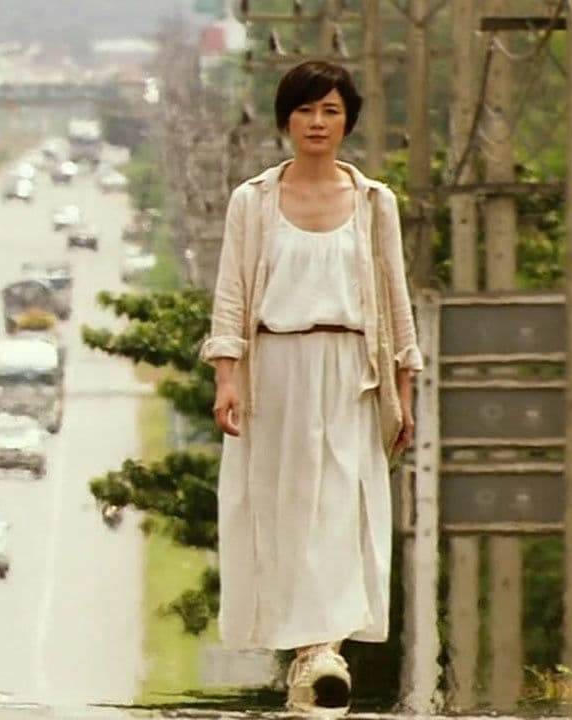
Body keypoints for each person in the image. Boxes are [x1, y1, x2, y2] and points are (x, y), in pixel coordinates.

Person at [199, 60, 423, 715]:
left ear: (348, 120)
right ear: (286, 120)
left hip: (353, 370)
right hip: (275, 368)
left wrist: (405, 386)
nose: (317, 123)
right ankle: (311, 657)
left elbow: (396, 297)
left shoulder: (376, 203)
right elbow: (231, 293)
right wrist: (226, 376)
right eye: (304, 110)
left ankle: (323, 652)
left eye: (330, 110)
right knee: (288, 509)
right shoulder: (253, 201)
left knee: (341, 506)